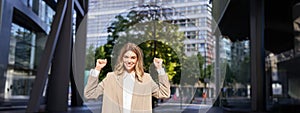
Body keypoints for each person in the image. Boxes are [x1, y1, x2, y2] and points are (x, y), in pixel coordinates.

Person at [84, 43, 170, 113]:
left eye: (133, 58)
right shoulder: (111, 77)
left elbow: (165, 93)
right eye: (126, 57)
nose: (129, 61)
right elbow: (89, 94)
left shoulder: (146, 78)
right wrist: (97, 69)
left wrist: (160, 69)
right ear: (122, 58)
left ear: (137, 60)